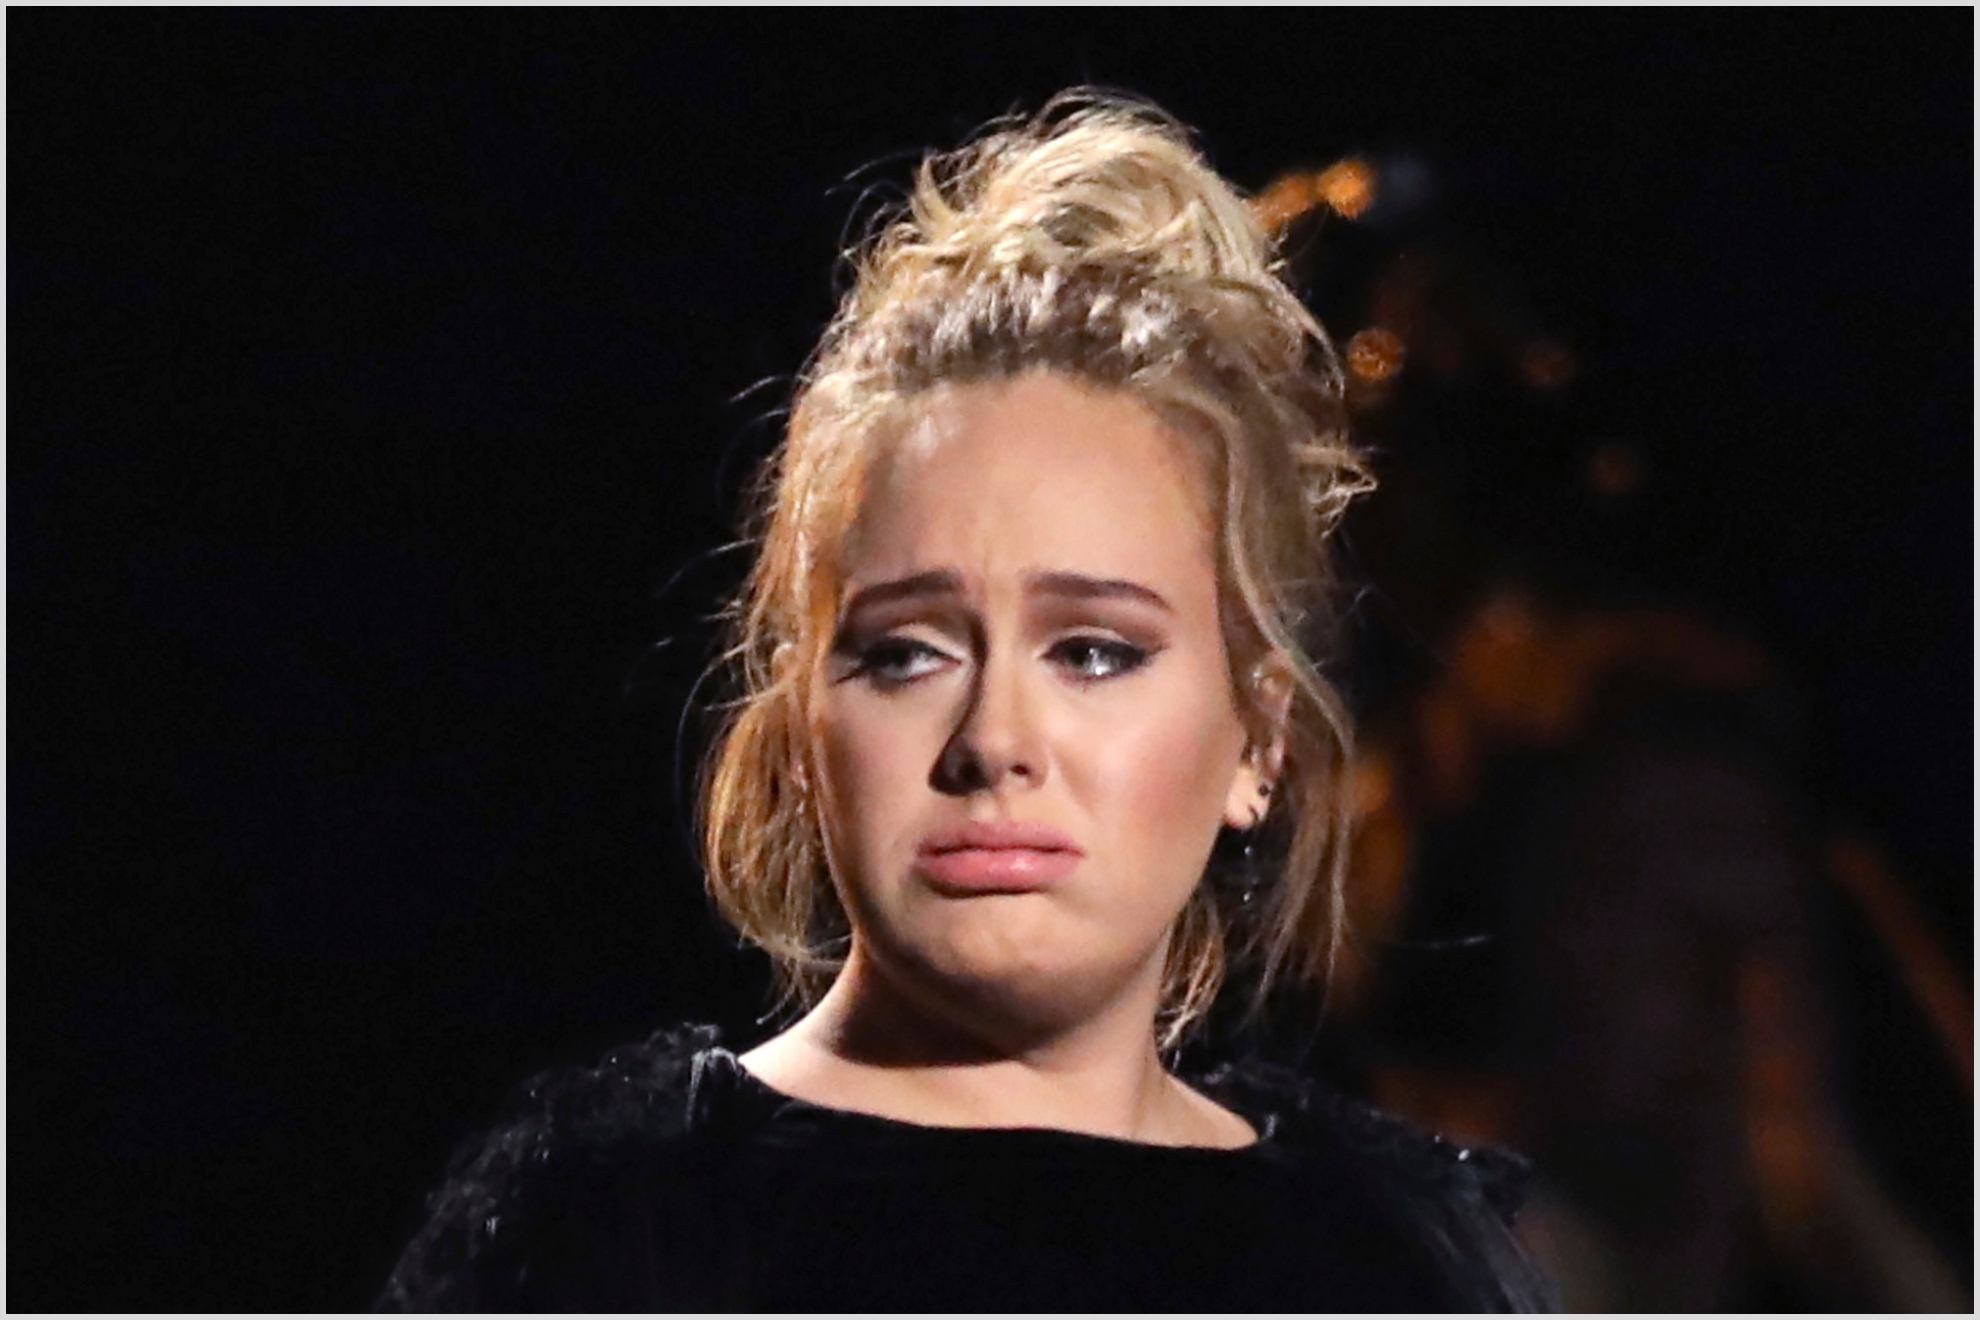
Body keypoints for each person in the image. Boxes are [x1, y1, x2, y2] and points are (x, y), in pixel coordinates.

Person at [376, 92, 1555, 1312]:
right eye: (906, 653)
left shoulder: (1391, 1264)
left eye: (1094, 652)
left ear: (1258, 731)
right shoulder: (613, 1232)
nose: (995, 742)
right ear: (797, 725)